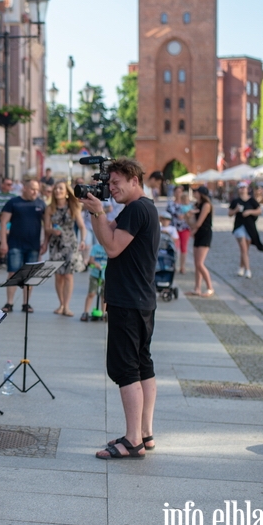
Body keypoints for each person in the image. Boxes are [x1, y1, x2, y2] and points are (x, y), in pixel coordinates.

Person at [80, 159, 160, 460]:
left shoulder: (138, 209)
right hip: (138, 299)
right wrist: (96, 211)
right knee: (142, 366)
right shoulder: (141, 208)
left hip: (129, 301)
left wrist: (99, 212)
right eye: (108, 184)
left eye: (115, 183)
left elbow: (111, 248)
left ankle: (132, 440)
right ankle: (145, 433)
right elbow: (107, 235)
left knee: (125, 369)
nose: (111, 189)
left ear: (134, 180)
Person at [0, 177, 46, 313]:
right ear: (24, 188)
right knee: (13, 273)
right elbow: (3, 222)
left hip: (33, 245)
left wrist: (45, 242)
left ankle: (26, 303)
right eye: (32, 189)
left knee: (29, 275)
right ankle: (9, 303)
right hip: (15, 244)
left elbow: (47, 224)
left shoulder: (41, 204)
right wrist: (3, 242)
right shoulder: (13, 202)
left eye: (37, 190)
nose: (35, 192)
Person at [43, 181, 86, 317]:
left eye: (60, 188)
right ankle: (61, 304)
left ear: (67, 192)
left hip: (70, 244)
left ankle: (67, 306)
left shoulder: (73, 207)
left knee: (68, 275)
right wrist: (50, 233)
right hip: (55, 244)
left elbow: (82, 226)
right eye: (55, 188)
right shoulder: (50, 208)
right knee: (58, 276)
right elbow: (46, 228)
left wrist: (83, 240)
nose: (57, 191)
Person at [228, 182, 263, 279]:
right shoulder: (235, 201)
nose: (242, 189)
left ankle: (241, 268)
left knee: (245, 250)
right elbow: (230, 213)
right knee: (243, 249)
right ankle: (248, 270)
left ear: (247, 189)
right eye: (241, 188)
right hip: (239, 227)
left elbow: (259, 211)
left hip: (250, 227)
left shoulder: (252, 201)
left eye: (244, 187)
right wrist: (236, 210)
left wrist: (249, 212)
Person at [185, 185, 214, 297]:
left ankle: (209, 287)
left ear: (201, 193)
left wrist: (193, 228)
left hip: (205, 234)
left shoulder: (206, 205)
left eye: (196, 192)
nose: (194, 193)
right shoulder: (197, 205)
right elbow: (192, 223)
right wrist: (188, 217)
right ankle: (197, 288)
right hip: (198, 234)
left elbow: (198, 223)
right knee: (196, 263)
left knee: (199, 263)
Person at [166, 186, 191, 274]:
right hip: (174, 228)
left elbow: (191, 215)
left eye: (180, 192)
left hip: (184, 228)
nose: (178, 193)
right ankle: (173, 266)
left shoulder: (186, 204)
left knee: (184, 247)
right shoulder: (171, 204)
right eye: (176, 192)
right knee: (174, 247)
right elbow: (167, 217)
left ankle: (182, 267)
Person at [81, 240, 108, 321]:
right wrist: (95, 264)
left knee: (104, 296)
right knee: (91, 293)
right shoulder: (96, 248)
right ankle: (85, 312)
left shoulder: (109, 248)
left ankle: (104, 313)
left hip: (105, 275)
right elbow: (91, 260)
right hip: (95, 275)